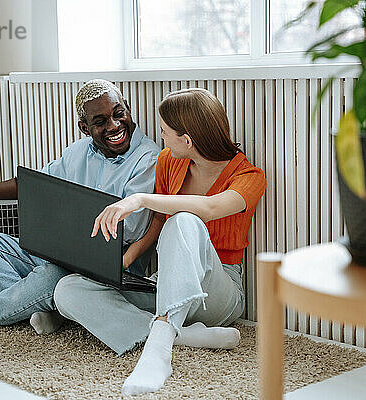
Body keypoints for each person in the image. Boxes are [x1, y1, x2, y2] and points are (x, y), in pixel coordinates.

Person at [52, 88, 266, 395]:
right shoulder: (168, 161)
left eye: (165, 132)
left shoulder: (248, 176)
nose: (160, 139)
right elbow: (156, 222)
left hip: (217, 292)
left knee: (184, 219)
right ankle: (186, 336)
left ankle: (158, 352)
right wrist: (122, 262)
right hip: (167, 284)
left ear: (187, 140)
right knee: (69, 289)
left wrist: (136, 199)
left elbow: (209, 208)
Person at [0, 79, 162, 335]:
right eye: (100, 121)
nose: (114, 125)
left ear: (127, 108)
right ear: (84, 127)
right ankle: (44, 307)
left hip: (107, 266)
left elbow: (131, 229)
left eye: (118, 113)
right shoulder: (78, 152)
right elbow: (32, 186)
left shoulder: (147, 157)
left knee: (51, 277)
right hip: (59, 253)